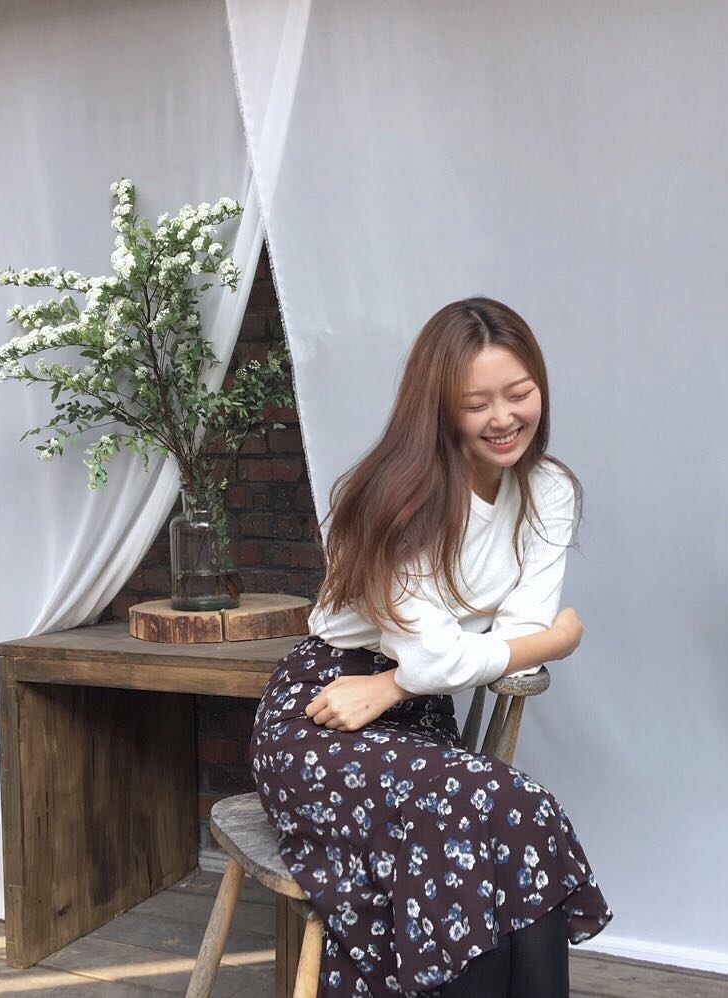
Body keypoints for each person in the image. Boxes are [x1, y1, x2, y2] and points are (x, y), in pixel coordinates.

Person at [249, 297, 613, 998]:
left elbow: (503, 643)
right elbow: (469, 654)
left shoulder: (548, 490)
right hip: (324, 714)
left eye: (519, 393)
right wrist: (556, 640)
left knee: (517, 815)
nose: (503, 418)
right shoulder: (400, 499)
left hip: (411, 714)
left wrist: (395, 686)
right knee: (492, 811)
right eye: (477, 404)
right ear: (439, 408)